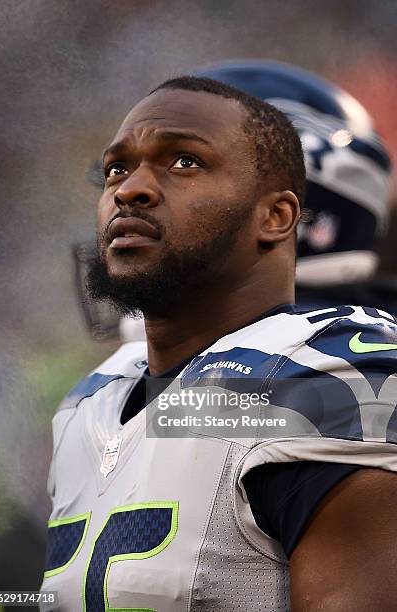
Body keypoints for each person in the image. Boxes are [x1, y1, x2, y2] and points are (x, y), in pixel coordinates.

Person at [42, 76, 397, 611]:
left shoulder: (329, 377)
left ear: (278, 216)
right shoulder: (93, 400)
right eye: (116, 169)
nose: (128, 189)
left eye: (184, 162)